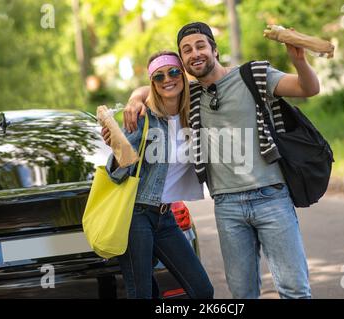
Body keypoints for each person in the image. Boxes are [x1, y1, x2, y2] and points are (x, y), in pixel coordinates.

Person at [117, 22, 320, 299]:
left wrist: (299, 60)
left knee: (294, 290)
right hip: (227, 206)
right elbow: (155, 85)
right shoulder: (191, 95)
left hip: (271, 196)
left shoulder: (254, 75)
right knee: (241, 294)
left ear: (215, 49)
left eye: (200, 45)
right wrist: (134, 98)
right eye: (186, 50)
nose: (195, 53)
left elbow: (308, 88)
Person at [103, 50, 214, 299]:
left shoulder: (195, 114)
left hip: (166, 218)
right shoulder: (144, 118)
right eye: (159, 76)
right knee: (141, 293)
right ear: (152, 82)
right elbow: (116, 174)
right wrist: (117, 147)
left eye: (174, 72)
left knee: (203, 291)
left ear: (183, 76)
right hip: (136, 216)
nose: (168, 79)